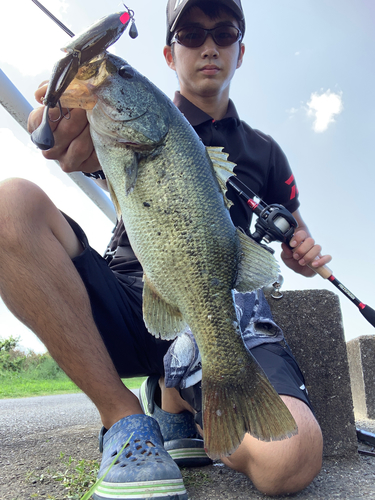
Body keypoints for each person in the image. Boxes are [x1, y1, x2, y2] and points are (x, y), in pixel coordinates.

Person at [0, 0, 331, 498]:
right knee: (8, 205)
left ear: (241, 52)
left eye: (224, 32)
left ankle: (178, 403)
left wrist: (299, 253)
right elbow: (69, 143)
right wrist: (66, 117)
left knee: (289, 457)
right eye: (191, 33)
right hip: (137, 297)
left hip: (222, 308)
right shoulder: (134, 118)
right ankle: (125, 419)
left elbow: (295, 234)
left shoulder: (266, 151)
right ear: (169, 52)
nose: (208, 45)